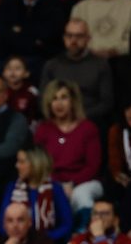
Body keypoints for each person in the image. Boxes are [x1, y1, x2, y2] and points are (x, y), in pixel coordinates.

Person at [33, 81, 103, 212]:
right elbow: (40, 164)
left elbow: (93, 166)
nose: (59, 104)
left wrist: (72, 183)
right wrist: (58, 185)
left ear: (73, 101)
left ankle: (84, 230)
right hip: (52, 181)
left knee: (80, 195)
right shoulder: (43, 130)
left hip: (85, 181)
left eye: (64, 97)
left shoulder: (88, 128)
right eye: (54, 99)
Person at [40, 19, 114, 127]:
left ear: (88, 39)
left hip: (89, 122)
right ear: (64, 38)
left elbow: (107, 103)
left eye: (79, 36)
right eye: (69, 36)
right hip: (58, 123)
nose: (73, 40)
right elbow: (43, 100)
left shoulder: (100, 65)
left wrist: (79, 117)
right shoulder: (52, 65)